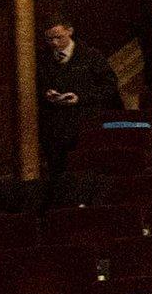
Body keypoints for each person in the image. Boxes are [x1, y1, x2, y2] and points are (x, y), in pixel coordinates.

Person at [37, 14, 121, 176]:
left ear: (70, 32)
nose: (54, 43)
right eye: (50, 39)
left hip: (84, 124)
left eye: (59, 37)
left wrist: (80, 97)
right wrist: (46, 93)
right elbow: (35, 87)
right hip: (55, 129)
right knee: (58, 174)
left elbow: (109, 86)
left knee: (86, 171)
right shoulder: (42, 58)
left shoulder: (90, 56)